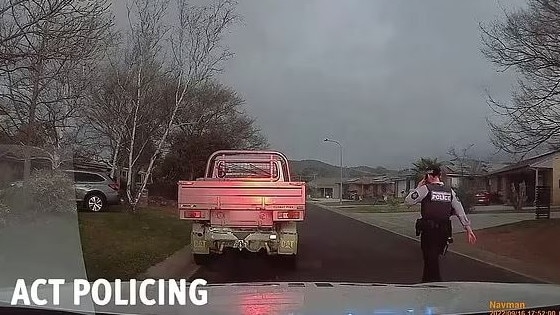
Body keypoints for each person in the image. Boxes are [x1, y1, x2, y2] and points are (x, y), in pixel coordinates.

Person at [404, 166, 477, 282]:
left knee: (430, 257)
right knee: (433, 257)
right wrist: (468, 228)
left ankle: (434, 283)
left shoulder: (426, 189)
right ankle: (428, 282)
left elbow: (408, 201)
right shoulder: (450, 191)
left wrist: (418, 187)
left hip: (429, 229)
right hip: (444, 230)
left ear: (428, 176)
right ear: (439, 176)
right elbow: (459, 209)